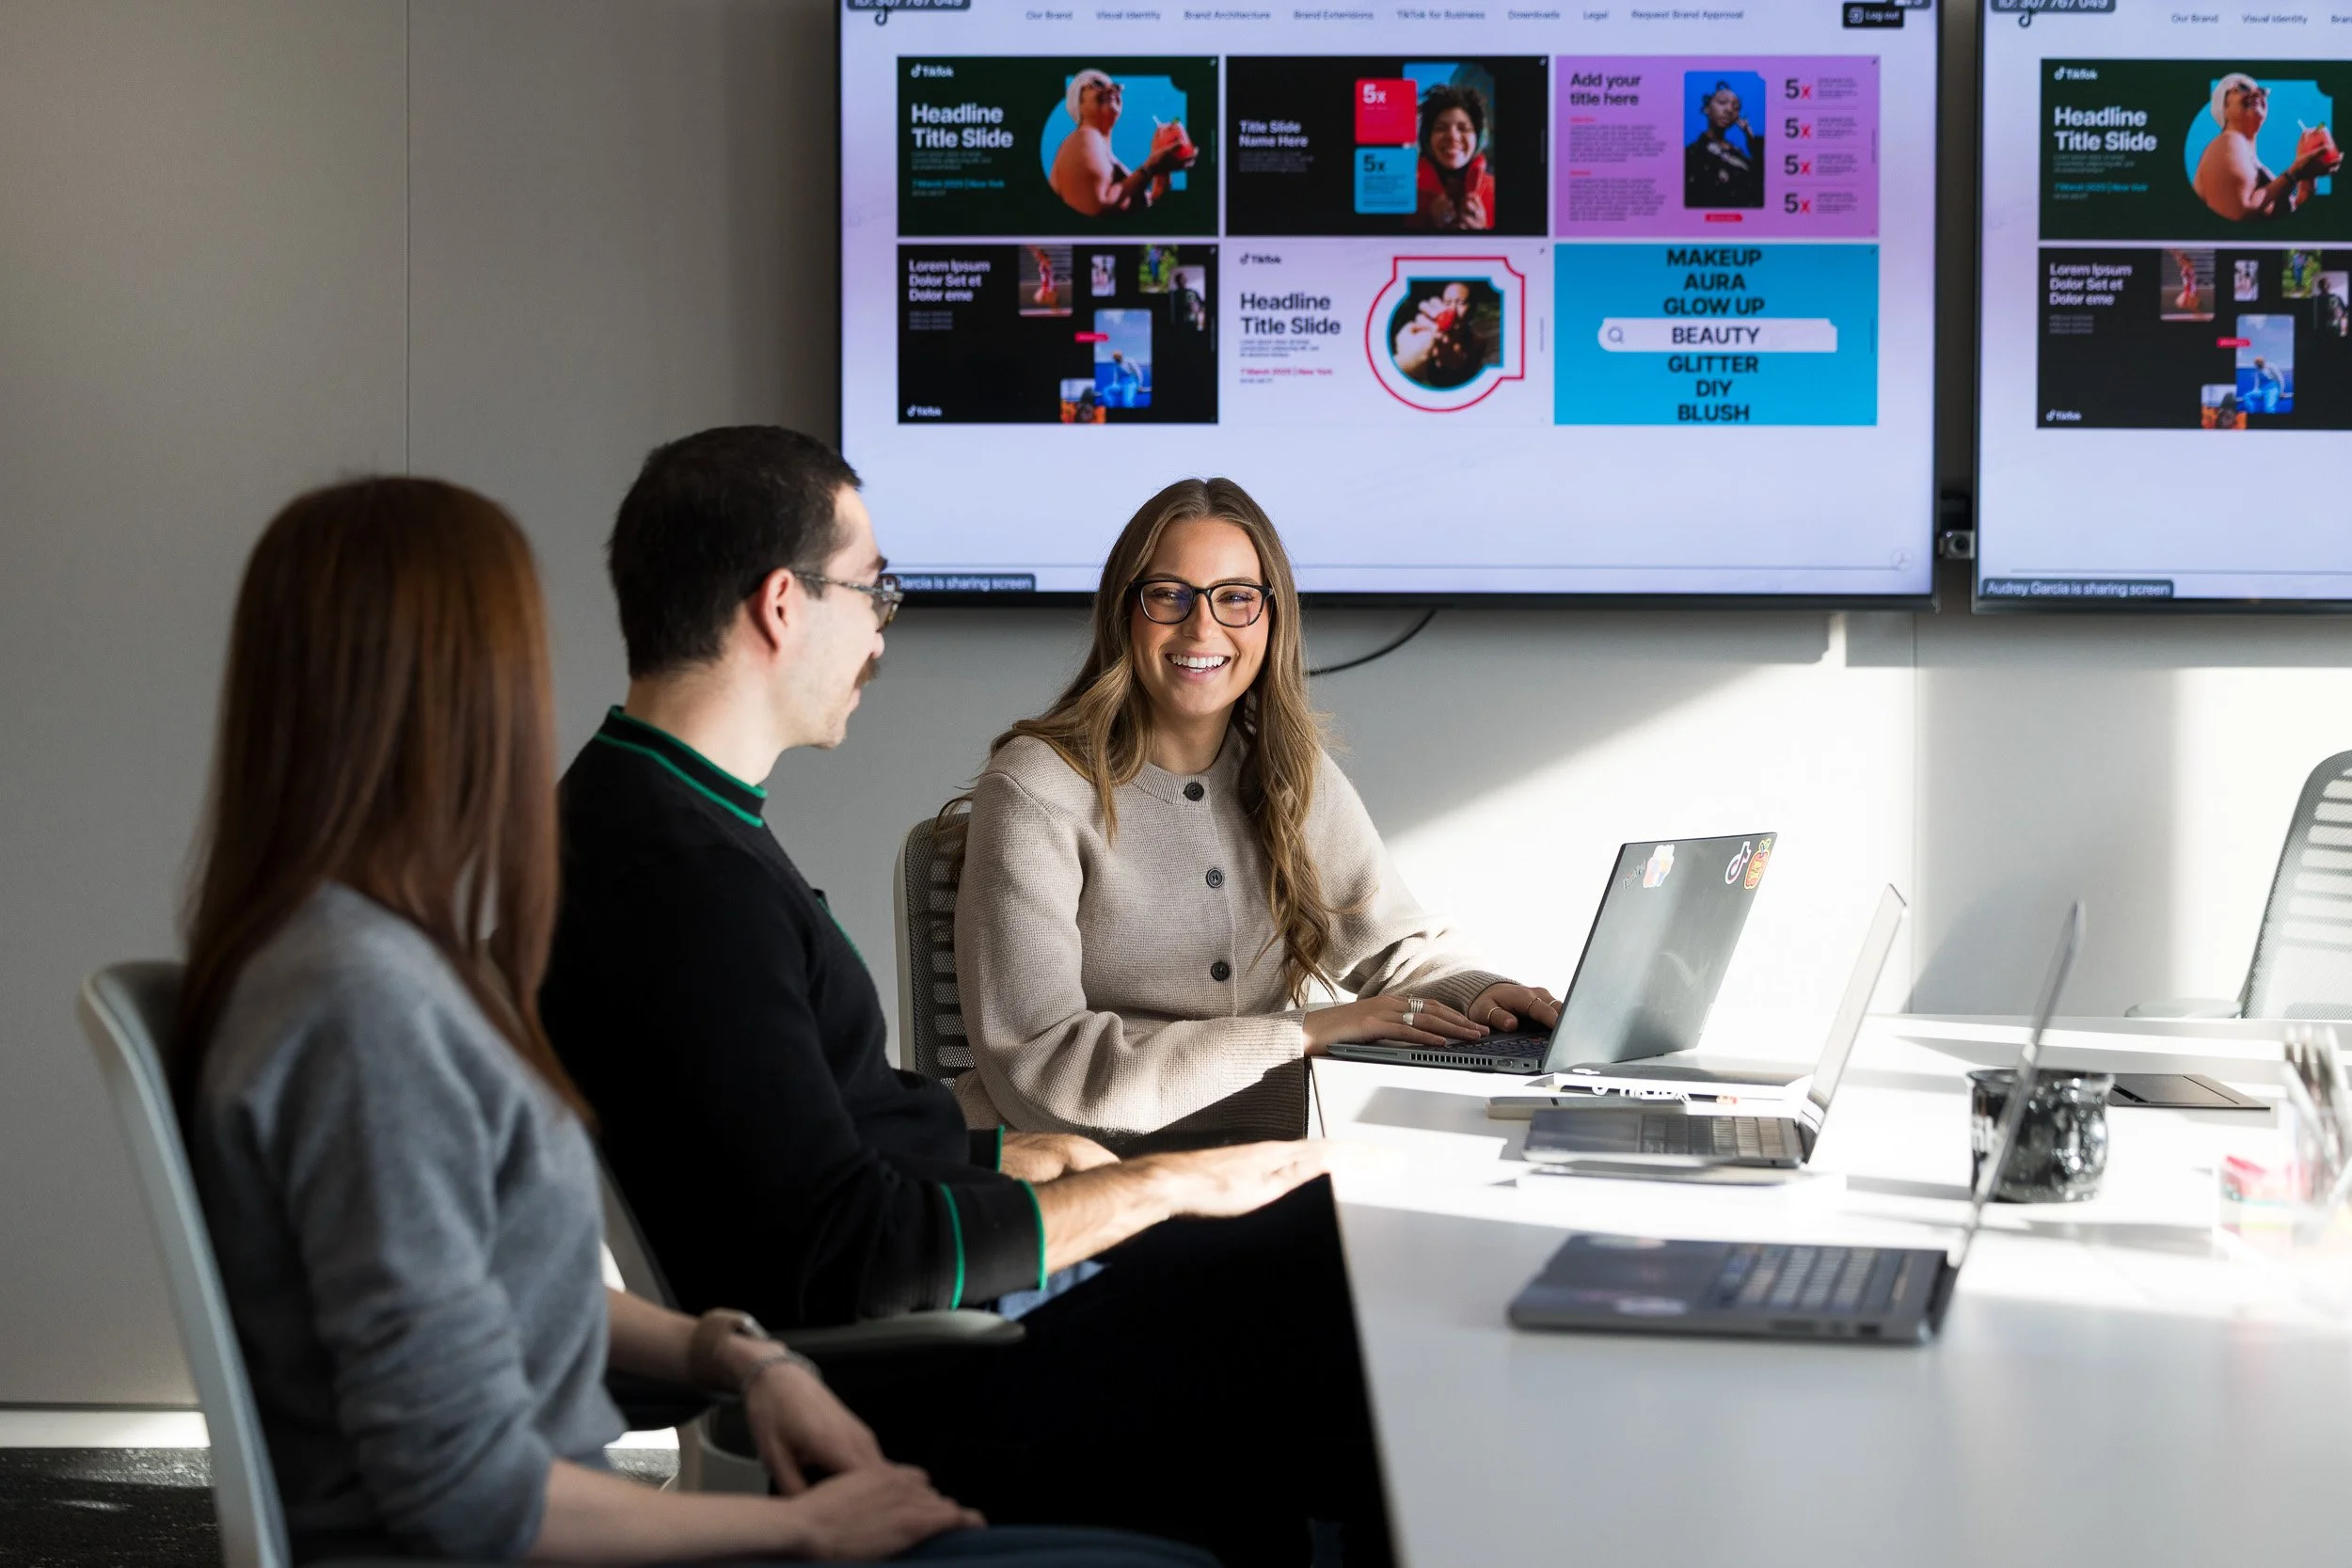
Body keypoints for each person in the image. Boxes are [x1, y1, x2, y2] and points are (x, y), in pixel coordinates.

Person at [172, 476, 1209, 1568]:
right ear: (463, 691)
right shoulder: (365, 1008)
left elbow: (498, 1289)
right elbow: (469, 1497)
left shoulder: (349, 955)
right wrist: (804, 1524)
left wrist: (733, 1355)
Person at [540, 427, 1395, 1568]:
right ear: (783, 605)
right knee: (1336, 1270)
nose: (882, 628)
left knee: (1317, 1242)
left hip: (920, 1328)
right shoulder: (678, 876)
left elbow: (815, 1130)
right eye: (873, 588)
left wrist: (1004, 1157)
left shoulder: (664, 816)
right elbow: (844, 1247)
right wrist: (1157, 1184)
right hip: (907, 1381)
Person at [951, 477, 1559, 1150]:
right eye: (1168, 595)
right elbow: (1038, 1070)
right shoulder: (1036, 787)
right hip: (1088, 1179)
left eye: (1236, 597)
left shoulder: (1286, 769)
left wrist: (1482, 997)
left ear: (1272, 618)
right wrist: (1301, 1033)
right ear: (1124, 613)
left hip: (1261, 1166)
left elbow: (1394, 949)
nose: (1202, 625)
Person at [1047, 71, 1191, 217]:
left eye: (1116, 87)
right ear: (1078, 101)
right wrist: (1151, 168)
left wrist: (1162, 170)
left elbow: (1151, 203)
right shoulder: (1083, 138)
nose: (1111, 90)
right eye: (1098, 84)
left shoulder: (1107, 158)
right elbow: (1095, 207)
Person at [2194, 73, 2332, 221]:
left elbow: (2295, 218)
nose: (2257, 93)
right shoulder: (2228, 142)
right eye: (2243, 88)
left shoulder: (2252, 162)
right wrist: (2294, 174)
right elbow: (2237, 213)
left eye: (2262, 91)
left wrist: (2308, 178)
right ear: (2223, 105)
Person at [1409, 84, 1493, 231]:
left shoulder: (1495, 190)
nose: (1453, 137)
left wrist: (1483, 231)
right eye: (1441, 128)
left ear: (1478, 139)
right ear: (1427, 139)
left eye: (1463, 128)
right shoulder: (1406, 192)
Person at [1685, 81, 1762, 209]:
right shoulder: (1691, 154)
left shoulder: (1739, 153)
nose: (1729, 110)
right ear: (1706, 109)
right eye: (1722, 102)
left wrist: (1750, 137)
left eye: (1736, 107)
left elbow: (1760, 180)